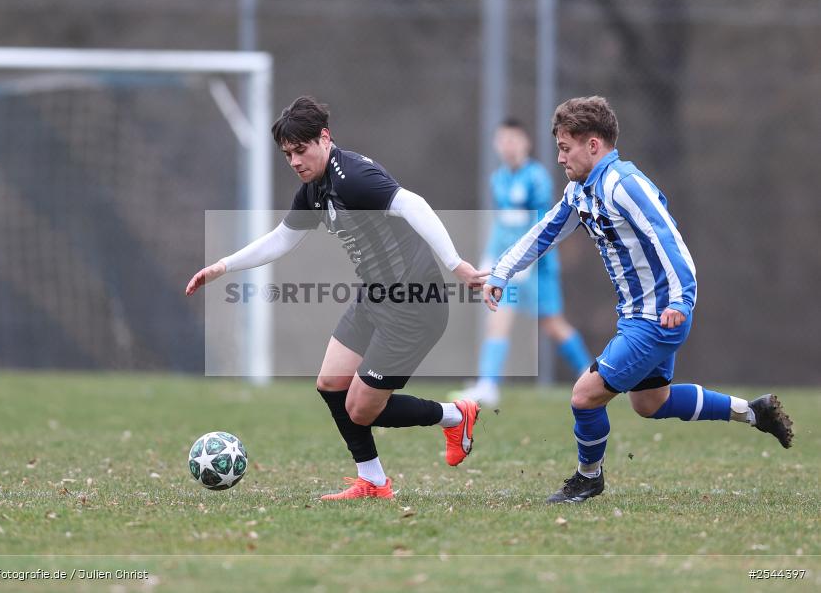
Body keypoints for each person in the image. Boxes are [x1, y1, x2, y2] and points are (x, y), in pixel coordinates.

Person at [483, 96, 793, 503]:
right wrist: (502, 271)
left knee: (584, 396)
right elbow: (546, 231)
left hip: (658, 317)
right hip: (637, 316)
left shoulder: (624, 184)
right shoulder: (580, 190)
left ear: (593, 145)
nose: (559, 158)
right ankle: (754, 411)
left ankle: (588, 478)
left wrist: (681, 300)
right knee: (650, 403)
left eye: (565, 147)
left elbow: (669, 239)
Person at [186, 96, 488, 500]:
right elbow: (281, 240)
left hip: (414, 304)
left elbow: (412, 204)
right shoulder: (314, 189)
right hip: (374, 296)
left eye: (301, 150)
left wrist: (456, 264)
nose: (295, 161)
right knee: (330, 383)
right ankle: (373, 481)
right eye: (287, 154)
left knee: (360, 409)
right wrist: (223, 266)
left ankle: (454, 415)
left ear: (324, 138)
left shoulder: (354, 177)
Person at [454, 118, 591, 408]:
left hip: (540, 267)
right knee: (498, 318)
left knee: (553, 325)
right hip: (511, 268)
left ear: (525, 143)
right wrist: (491, 258)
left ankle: (590, 374)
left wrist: (525, 262)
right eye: (503, 140)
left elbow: (543, 224)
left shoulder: (537, 177)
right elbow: (503, 224)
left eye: (513, 140)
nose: (508, 146)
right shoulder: (498, 179)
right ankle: (488, 385)